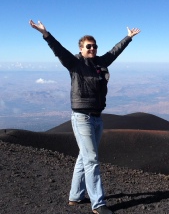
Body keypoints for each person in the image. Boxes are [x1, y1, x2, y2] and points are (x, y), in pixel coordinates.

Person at [29, 19, 140, 214]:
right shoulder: (74, 63)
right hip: (82, 117)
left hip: (97, 117)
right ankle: (98, 205)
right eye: (89, 46)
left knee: (84, 158)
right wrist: (46, 34)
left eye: (95, 46)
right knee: (92, 160)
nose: (93, 49)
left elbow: (115, 51)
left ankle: (75, 196)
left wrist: (128, 38)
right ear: (81, 49)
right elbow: (59, 50)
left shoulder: (100, 62)